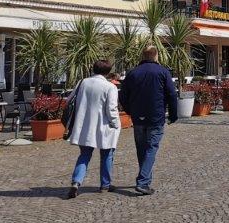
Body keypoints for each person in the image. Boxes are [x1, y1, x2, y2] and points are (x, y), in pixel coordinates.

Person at [120, 45, 178, 195]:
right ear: (156, 55)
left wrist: (130, 111)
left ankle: (145, 180)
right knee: (151, 148)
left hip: (138, 117)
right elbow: (172, 94)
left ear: (143, 56)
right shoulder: (163, 72)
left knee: (141, 148)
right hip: (156, 116)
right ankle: (143, 182)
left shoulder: (133, 73)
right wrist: (173, 115)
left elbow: (123, 95)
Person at [66, 60, 122, 198]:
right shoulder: (110, 87)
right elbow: (112, 109)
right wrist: (116, 124)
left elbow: (69, 101)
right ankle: (105, 184)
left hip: (84, 125)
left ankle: (76, 182)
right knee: (107, 155)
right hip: (104, 126)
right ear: (108, 72)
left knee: (84, 155)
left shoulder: (82, 83)